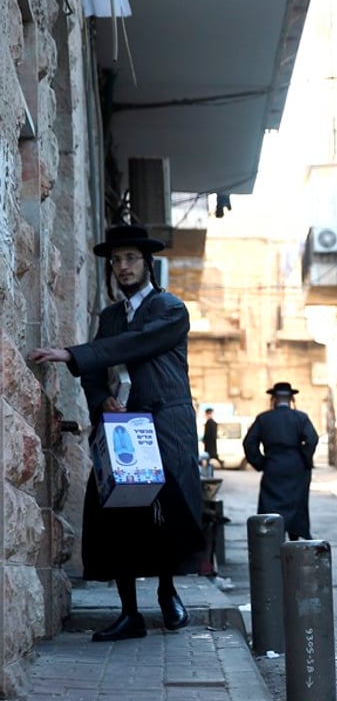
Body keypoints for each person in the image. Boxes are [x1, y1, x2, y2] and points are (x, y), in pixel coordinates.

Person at [27, 224, 204, 642]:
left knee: (167, 512)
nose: (123, 267)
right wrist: (101, 398)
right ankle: (129, 613)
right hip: (123, 429)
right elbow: (96, 373)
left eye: (131, 259)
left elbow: (135, 345)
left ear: (147, 264)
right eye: (117, 261)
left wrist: (73, 353)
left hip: (164, 425)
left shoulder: (170, 309)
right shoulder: (109, 317)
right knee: (115, 512)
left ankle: (167, 593)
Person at [243, 381, 319, 540]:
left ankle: (271, 539)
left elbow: (249, 443)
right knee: (297, 504)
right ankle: (295, 539)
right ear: (291, 399)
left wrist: (260, 463)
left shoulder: (264, 419)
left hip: (273, 465)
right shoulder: (300, 417)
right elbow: (311, 439)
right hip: (296, 467)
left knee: (271, 504)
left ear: (274, 399)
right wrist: (305, 459)